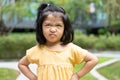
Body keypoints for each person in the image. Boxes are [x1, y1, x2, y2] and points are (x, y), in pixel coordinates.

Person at [18, 2, 98, 80]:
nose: (53, 29)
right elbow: (22, 64)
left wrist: (77, 75)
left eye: (58, 25)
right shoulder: (38, 50)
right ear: (41, 28)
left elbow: (93, 59)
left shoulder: (71, 49)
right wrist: (33, 78)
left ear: (65, 29)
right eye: (48, 25)